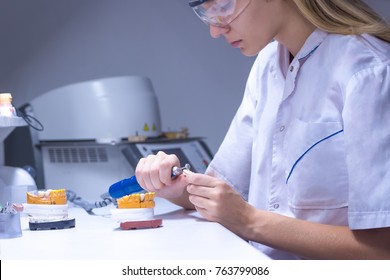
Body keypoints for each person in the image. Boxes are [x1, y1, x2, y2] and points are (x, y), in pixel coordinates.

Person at [135, 0, 390, 259]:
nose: (215, 30)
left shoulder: (370, 71)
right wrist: (176, 186)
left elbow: (382, 249)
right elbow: (221, 194)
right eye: (206, 13)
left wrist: (250, 221)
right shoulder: (268, 64)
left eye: (223, 6)